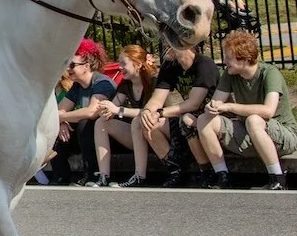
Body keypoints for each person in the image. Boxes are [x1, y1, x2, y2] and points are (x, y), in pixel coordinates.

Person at [195, 30, 297, 190]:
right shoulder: (229, 75)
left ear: (245, 58)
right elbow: (216, 102)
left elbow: (268, 111)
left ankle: (277, 179)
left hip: (282, 136)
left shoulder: (269, 73)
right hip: (251, 134)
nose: (225, 61)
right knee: (204, 120)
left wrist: (228, 106)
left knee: (254, 119)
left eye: (229, 58)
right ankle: (223, 176)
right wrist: (211, 107)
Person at [139, 43, 221, 187]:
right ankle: (175, 171)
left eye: (170, 43)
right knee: (148, 124)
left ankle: (207, 172)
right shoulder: (170, 66)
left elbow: (194, 103)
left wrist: (160, 112)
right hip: (188, 117)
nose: (165, 48)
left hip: (210, 119)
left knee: (186, 120)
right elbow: (157, 99)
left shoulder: (204, 65)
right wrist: (147, 112)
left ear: (186, 44)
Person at [51, 39, 116, 185]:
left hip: (106, 132)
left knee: (84, 124)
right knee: (57, 129)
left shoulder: (102, 82)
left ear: (86, 66)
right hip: (86, 133)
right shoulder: (76, 86)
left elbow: (92, 112)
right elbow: (59, 110)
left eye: (72, 65)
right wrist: (62, 122)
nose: (68, 69)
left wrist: (62, 117)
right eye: (68, 65)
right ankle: (60, 177)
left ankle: (92, 174)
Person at [94, 45, 159, 186]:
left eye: (124, 63)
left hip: (156, 132)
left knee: (137, 120)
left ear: (138, 64)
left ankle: (139, 176)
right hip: (136, 135)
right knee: (101, 123)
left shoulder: (155, 81)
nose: (120, 67)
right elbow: (114, 104)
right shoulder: (126, 84)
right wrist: (106, 109)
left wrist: (118, 110)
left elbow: (151, 112)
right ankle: (103, 176)